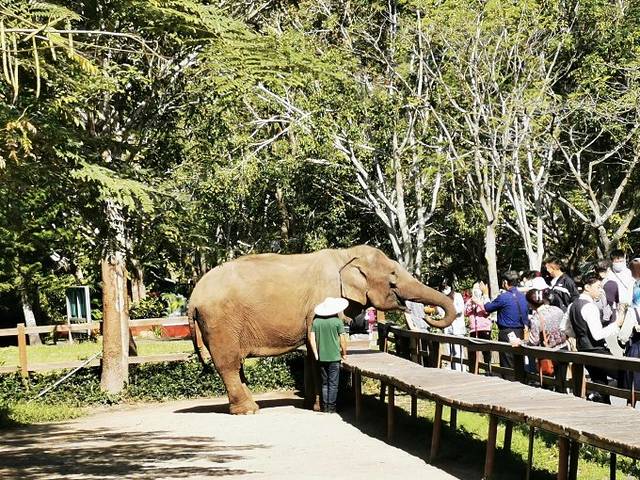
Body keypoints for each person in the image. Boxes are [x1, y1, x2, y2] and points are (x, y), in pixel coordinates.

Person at [566, 274, 625, 403]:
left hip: (583, 350)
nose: (601, 291)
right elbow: (597, 335)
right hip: (596, 350)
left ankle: (602, 404)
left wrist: (578, 336)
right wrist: (616, 324)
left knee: (600, 382)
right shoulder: (590, 307)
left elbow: (565, 328)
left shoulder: (572, 305)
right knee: (625, 374)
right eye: (598, 287)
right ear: (587, 287)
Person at [516, 289, 568, 390]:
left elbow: (533, 341)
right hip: (563, 348)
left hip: (548, 352)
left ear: (530, 304)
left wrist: (521, 342)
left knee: (547, 383)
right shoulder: (558, 310)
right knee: (561, 381)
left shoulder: (536, 319)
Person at [476, 270, 529, 369]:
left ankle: (509, 378)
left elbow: (488, 308)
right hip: (521, 332)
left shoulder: (504, 297)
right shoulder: (523, 297)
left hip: (507, 332)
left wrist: (485, 294)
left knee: (507, 363)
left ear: (505, 282)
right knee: (519, 362)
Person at [309, 297, 349, 413]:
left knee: (325, 383)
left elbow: (312, 339)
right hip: (334, 357)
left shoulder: (316, 322)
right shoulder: (337, 322)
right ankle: (331, 407)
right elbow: (343, 340)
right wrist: (344, 353)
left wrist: (316, 353)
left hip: (321, 357)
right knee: (333, 384)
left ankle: (325, 406)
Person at [465, 281, 492, 368]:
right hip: (474, 329)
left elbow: (487, 312)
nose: (475, 290)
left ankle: (488, 369)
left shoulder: (485, 299)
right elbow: (465, 312)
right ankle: (474, 369)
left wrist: (478, 303)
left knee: (486, 351)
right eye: (474, 289)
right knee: (473, 351)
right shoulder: (470, 301)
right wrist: (471, 304)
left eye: (477, 289)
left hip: (484, 328)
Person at [622, 258, 640, 392]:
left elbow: (623, 335)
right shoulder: (633, 284)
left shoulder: (634, 309)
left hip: (636, 343)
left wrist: (622, 338)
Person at [440, 281, 466, 372]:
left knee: (458, 351)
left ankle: (461, 370)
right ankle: (452, 370)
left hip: (457, 327)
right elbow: (440, 311)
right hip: (448, 328)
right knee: (449, 351)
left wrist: (450, 311)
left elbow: (460, 309)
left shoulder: (457, 296)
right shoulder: (441, 297)